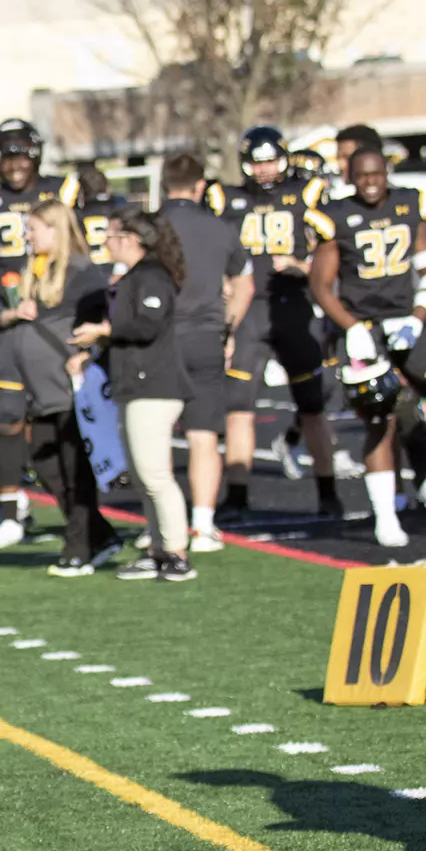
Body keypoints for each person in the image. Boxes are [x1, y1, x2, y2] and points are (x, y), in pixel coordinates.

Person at [208, 126, 341, 521]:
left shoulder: (306, 194)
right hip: (250, 313)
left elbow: (334, 251)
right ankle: (236, 495)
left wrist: (303, 267)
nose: (264, 169)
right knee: (238, 409)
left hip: (293, 307)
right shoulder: (226, 199)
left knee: (312, 407)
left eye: (270, 160)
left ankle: (328, 492)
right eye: (257, 161)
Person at [0, 119, 80, 546]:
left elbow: (78, 252)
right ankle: (10, 508)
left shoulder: (61, 191)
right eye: (7, 156)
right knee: (5, 416)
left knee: (63, 417)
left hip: (53, 320)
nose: (15, 165)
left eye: (22, 155)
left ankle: (79, 509)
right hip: (5, 323)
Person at [308, 146, 426, 548]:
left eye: (376, 174)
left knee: (418, 408)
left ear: (387, 173)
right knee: (378, 414)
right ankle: (386, 513)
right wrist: (351, 327)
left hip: (407, 320)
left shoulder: (411, 203)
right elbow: (320, 285)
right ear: (350, 177)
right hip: (364, 326)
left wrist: (418, 315)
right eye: (362, 176)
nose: (370, 182)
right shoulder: (336, 216)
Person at [0, 203, 116, 575]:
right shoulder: (31, 271)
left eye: (35, 229)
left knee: (73, 466)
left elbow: (100, 319)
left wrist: (87, 352)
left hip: (68, 387)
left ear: (56, 230)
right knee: (46, 464)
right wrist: (13, 313)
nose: (28, 236)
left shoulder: (82, 272)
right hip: (40, 390)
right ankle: (101, 534)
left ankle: (79, 547)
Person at [74, 208, 197, 581]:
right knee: (143, 475)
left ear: (129, 239)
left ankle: (176, 551)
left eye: (110, 236)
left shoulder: (152, 276)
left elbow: (148, 324)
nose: (105, 243)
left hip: (154, 386)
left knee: (155, 473)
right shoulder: (134, 277)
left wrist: (104, 330)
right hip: (136, 384)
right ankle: (158, 547)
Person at [159, 154, 254, 553]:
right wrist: (228, 329)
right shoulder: (221, 228)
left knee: (156, 436)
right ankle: (203, 524)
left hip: (159, 339)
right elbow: (245, 286)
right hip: (205, 338)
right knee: (203, 436)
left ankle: (162, 524)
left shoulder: (151, 225)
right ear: (200, 186)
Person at [75, 163, 126, 265]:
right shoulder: (120, 208)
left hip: (91, 270)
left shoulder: (77, 215)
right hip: (117, 267)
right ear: (107, 187)